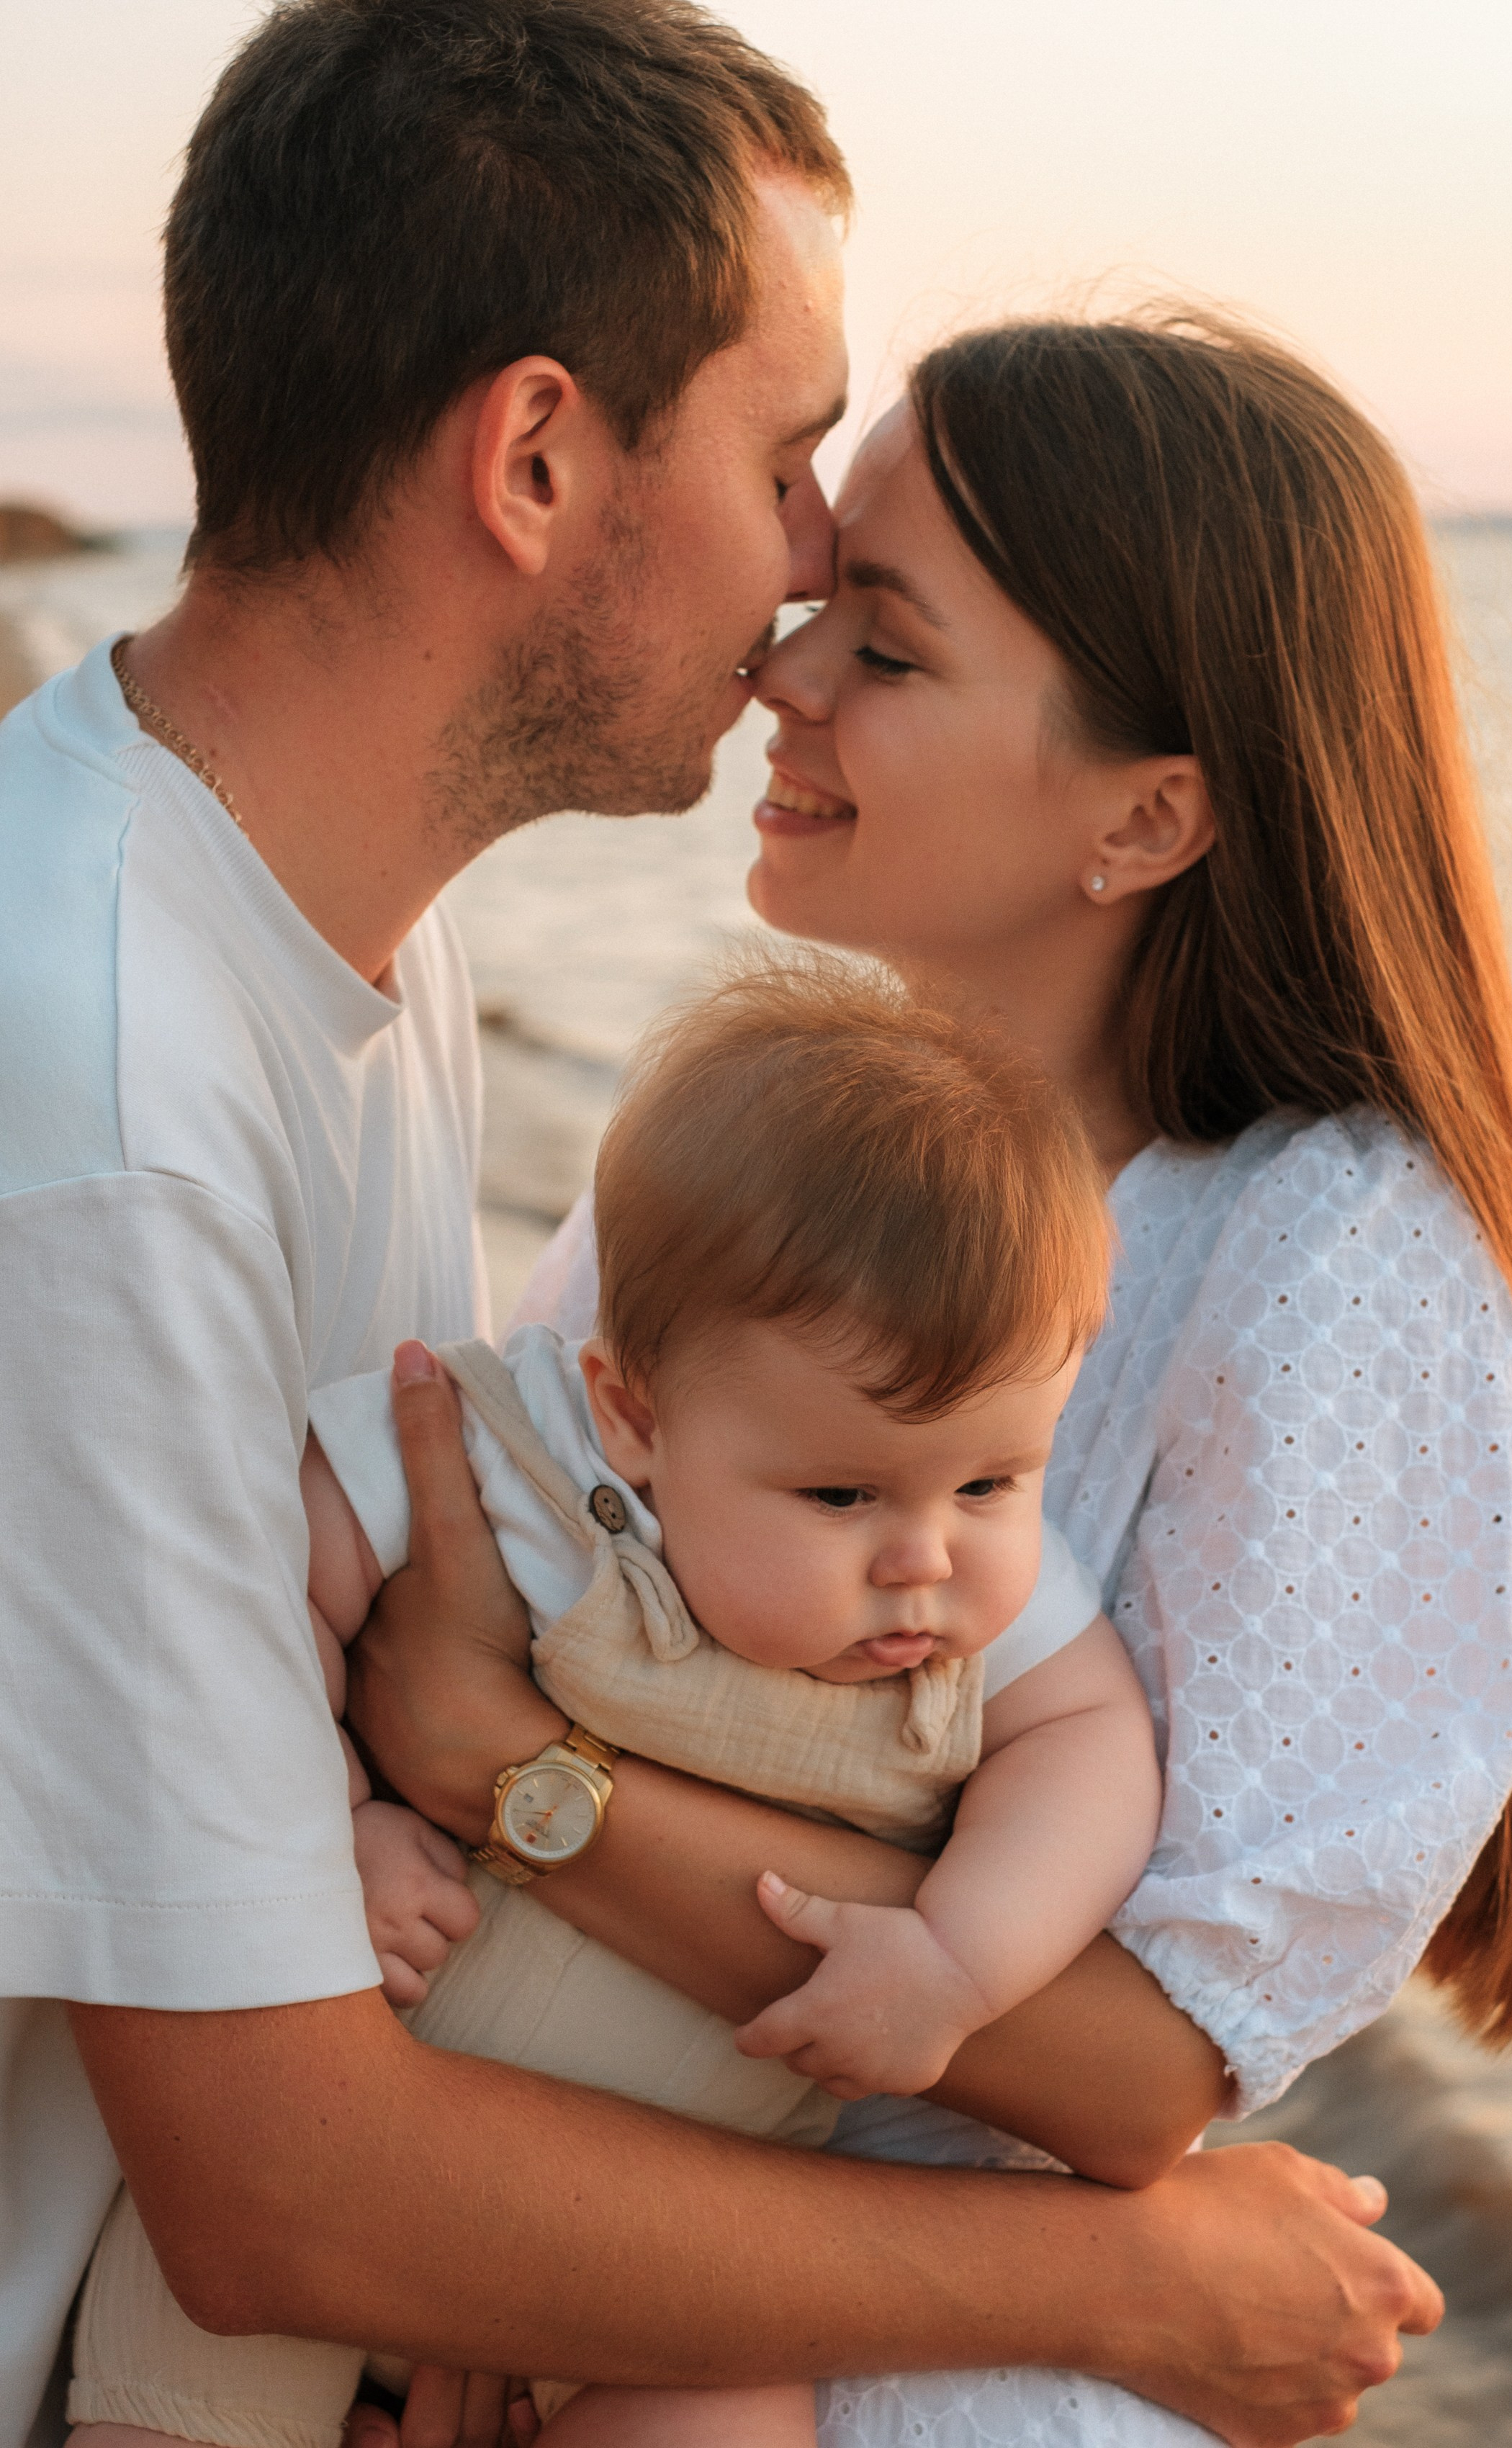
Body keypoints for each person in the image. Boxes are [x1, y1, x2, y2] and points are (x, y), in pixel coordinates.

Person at [0, 5, 1436, 2446]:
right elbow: (280, 2197)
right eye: (787, 460)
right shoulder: (97, 1101)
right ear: (539, 458)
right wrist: (1117, 2287)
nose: (802, 583)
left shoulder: (350, 941)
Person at [354, 312, 1512, 2446]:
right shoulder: (795, 1156)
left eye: (888, 645)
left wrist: (511, 1777)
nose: (777, 674)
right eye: (816, 605)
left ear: (1140, 821)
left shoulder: (1332, 1248)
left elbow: (1142, 2066)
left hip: (910, 2374)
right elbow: (511, 1527)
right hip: (590, 2252)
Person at [71, 959, 1169, 2446]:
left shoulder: (987, 1598)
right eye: (839, 1492)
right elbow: (243, 1602)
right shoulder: (517, 1466)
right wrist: (330, 1814)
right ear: (633, 1410)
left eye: (996, 1479)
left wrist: (958, 1963)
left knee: (733, 2409)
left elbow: (1093, 1744)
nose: (927, 1558)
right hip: (345, 2159)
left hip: (632, 2267)